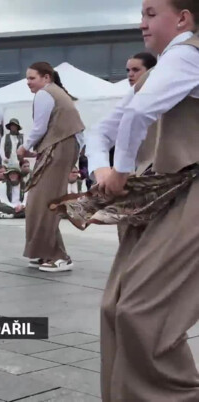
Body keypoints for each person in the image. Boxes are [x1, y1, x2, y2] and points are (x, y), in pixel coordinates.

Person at [83, 1, 199, 399]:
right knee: (117, 308)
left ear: (182, 18)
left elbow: (135, 118)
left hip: (189, 198)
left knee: (140, 312)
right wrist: (103, 169)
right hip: (163, 199)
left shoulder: (187, 54)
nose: (142, 23)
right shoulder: (159, 72)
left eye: (151, 14)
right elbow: (101, 131)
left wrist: (119, 172)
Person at [17, 61, 84, 272]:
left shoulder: (45, 93)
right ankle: (43, 251)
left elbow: (39, 127)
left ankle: (59, 256)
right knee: (40, 200)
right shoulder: (57, 93)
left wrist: (24, 147)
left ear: (46, 77)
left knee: (45, 201)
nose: (28, 82)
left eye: (32, 78)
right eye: (27, 78)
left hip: (60, 147)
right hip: (61, 147)